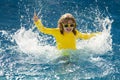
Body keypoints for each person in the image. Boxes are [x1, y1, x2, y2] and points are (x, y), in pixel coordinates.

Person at [33, 13, 100, 50]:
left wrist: (98, 34)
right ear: (61, 25)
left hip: (73, 54)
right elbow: (43, 30)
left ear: (74, 25)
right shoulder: (57, 32)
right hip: (62, 55)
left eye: (71, 25)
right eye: (66, 25)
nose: (69, 27)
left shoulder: (75, 33)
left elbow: (86, 36)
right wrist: (37, 22)